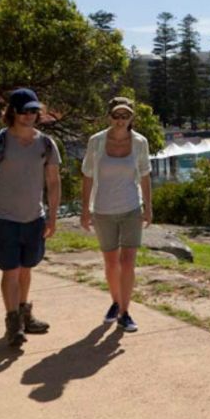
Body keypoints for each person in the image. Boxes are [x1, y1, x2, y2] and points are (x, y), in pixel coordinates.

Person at [0, 88, 62, 347]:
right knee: (11, 271)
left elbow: (54, 182)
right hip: (4, 219)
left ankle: (25, 314)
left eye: (34, 111)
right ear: (12, 111)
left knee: (26, 268)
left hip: (34, 218)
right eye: (24, 111)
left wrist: (52, 217)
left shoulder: (46, 143)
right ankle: (13, 324)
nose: (29, 116)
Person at [80, 97, 152, 332]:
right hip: (103, 210)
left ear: (131, 117)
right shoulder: (97, 142)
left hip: (131, 208)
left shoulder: (140, 142)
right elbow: (88, 175)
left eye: (126, 116)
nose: (121, 120)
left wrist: (148, 207)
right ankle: (115, 301)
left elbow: (144, 175)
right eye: (116, 115)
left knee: (128, 262)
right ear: (109, 116)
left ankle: (124, 312)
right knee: (111, 263)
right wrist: (84, 211)